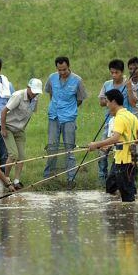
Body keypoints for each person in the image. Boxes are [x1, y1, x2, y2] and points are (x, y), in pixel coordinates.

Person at [88, 89, 138, 202]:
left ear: (114, 102)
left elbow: (115, 138)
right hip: (131, 159)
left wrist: (96, 144)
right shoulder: (131, 115)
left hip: (123, 161)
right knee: (123, 189)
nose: (107, 105)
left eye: (108, 102)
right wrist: (133, 142)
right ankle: (124, 215)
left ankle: (129, 217)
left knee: (127, 196)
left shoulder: (119, 118)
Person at [43, 56, 88, 188]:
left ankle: (70, 178)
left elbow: (80, 99)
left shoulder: (77, 80)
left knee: (69, 148)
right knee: (52, 147)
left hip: (69, 118)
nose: (62, 72)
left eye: (64, 69)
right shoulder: (52, 78)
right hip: (53, 117)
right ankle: (49, 177)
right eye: (59, 70)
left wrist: (69, 108)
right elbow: (50, 93)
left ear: (69, 66)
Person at [0, 78, 43, 190]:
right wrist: (3, 129)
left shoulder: (35, 99)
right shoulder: (18, 96)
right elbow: (4, 111)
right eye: (33, 91)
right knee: (13, 154)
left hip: (20, 130)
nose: (34, 94)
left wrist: (23, 128)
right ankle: (6, 178)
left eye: (37, 92)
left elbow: (29, 115)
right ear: (28, 87)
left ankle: (17, 181)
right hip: (8, 127)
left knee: (22, 156)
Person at [97, 59, 134, 185]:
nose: (114, 75)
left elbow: (134, 103)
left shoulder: (129, 83)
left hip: (124, 122)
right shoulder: (107, 84)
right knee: (102, 150)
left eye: (116, 72)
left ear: (122, 72)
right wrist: (108, 100)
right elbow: (101, 102)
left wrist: (128, 89)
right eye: (111, 73)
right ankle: (103, 177)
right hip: (109, 122)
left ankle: (125, 178)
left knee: (122, 151)